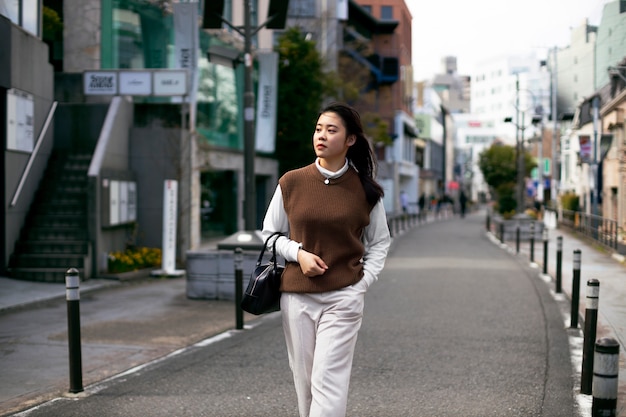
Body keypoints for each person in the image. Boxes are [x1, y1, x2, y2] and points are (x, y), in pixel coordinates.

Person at [261, 102, 391, 417]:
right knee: (305, 382)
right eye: (319, 129)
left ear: (350, 140)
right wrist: (298, 254)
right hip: (297, 296)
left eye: (331, 130)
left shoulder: (366, 190)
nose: (321, 135)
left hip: (344, 296)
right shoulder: (291, 182)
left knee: (327, 378)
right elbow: (268, 235)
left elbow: (380, 241)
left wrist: (362, 283)